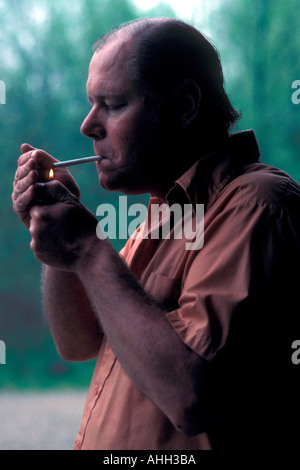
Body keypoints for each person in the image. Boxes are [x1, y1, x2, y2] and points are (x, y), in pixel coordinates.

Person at [12, 17, 300, 450]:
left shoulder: (256, 206)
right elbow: (78, 343)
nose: (88, 126)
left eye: (111, 104)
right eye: (92, 104)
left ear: (184, 105)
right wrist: (63, 247)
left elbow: (190, 397)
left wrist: (88, 250)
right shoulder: (164, 212)